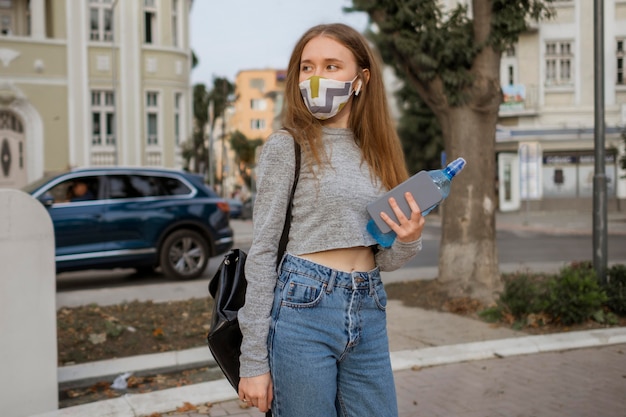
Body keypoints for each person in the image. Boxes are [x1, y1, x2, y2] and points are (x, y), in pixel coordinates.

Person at [238, 23, 425, 417]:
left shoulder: (378, 154)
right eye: (307, 67)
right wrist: (253, 360)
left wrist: (407, 238)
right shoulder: (287, 145)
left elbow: (383, 257)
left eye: (331, 66)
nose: (316, 77)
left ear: (361, 79)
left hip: (369, 306)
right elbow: (264, 251)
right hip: (303, 308)